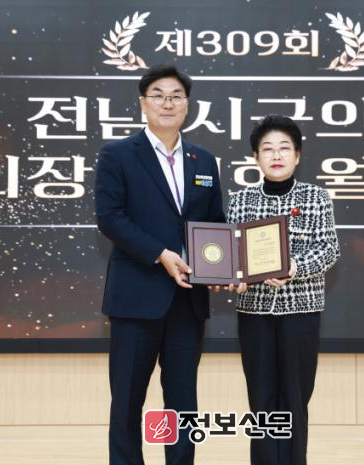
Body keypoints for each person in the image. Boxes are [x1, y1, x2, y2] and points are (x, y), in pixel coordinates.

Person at [95, 63, 225, 465]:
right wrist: (161, 254)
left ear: (187, 105)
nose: (167, 104)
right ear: (143, 103)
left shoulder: (204, 160)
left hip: (188, 301)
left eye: (176, 97)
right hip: (137, 298)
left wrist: (220, 267)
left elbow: (214, 224)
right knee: (128, 400)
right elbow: (110, 218)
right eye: (158, 96)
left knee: (182, 402)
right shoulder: (118, 154)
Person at [226, 115, 340, 465]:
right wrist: (233, 274)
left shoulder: (316, 197)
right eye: (267, 149)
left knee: (294, 396)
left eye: (284, 148)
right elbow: (231, 255)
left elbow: (329, 249)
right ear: (256, 157)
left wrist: (293, 268)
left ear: (298, 155)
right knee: (260, 397)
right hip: (254, 311)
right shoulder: (240, 200)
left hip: (300, 311)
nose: (276, 155)